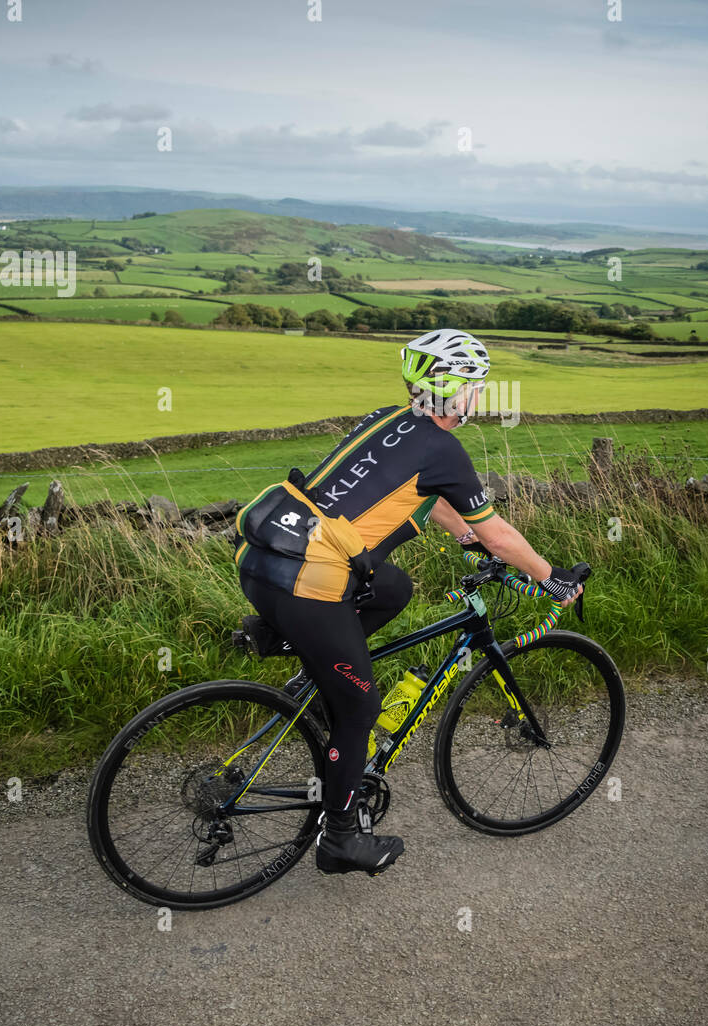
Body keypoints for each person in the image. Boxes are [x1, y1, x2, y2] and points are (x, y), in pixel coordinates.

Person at [234, 328, 584, 877]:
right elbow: (497, 535)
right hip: (309, 584)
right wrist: (550, 579)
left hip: (261, 563)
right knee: (361, 710)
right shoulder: (444, 448)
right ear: (452, 389)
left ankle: (300, 657)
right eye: (475, 385)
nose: (479, 396)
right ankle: (341, 838)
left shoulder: (389, 421)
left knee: (394, 588)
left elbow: (423, 496)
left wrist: (462, 533)